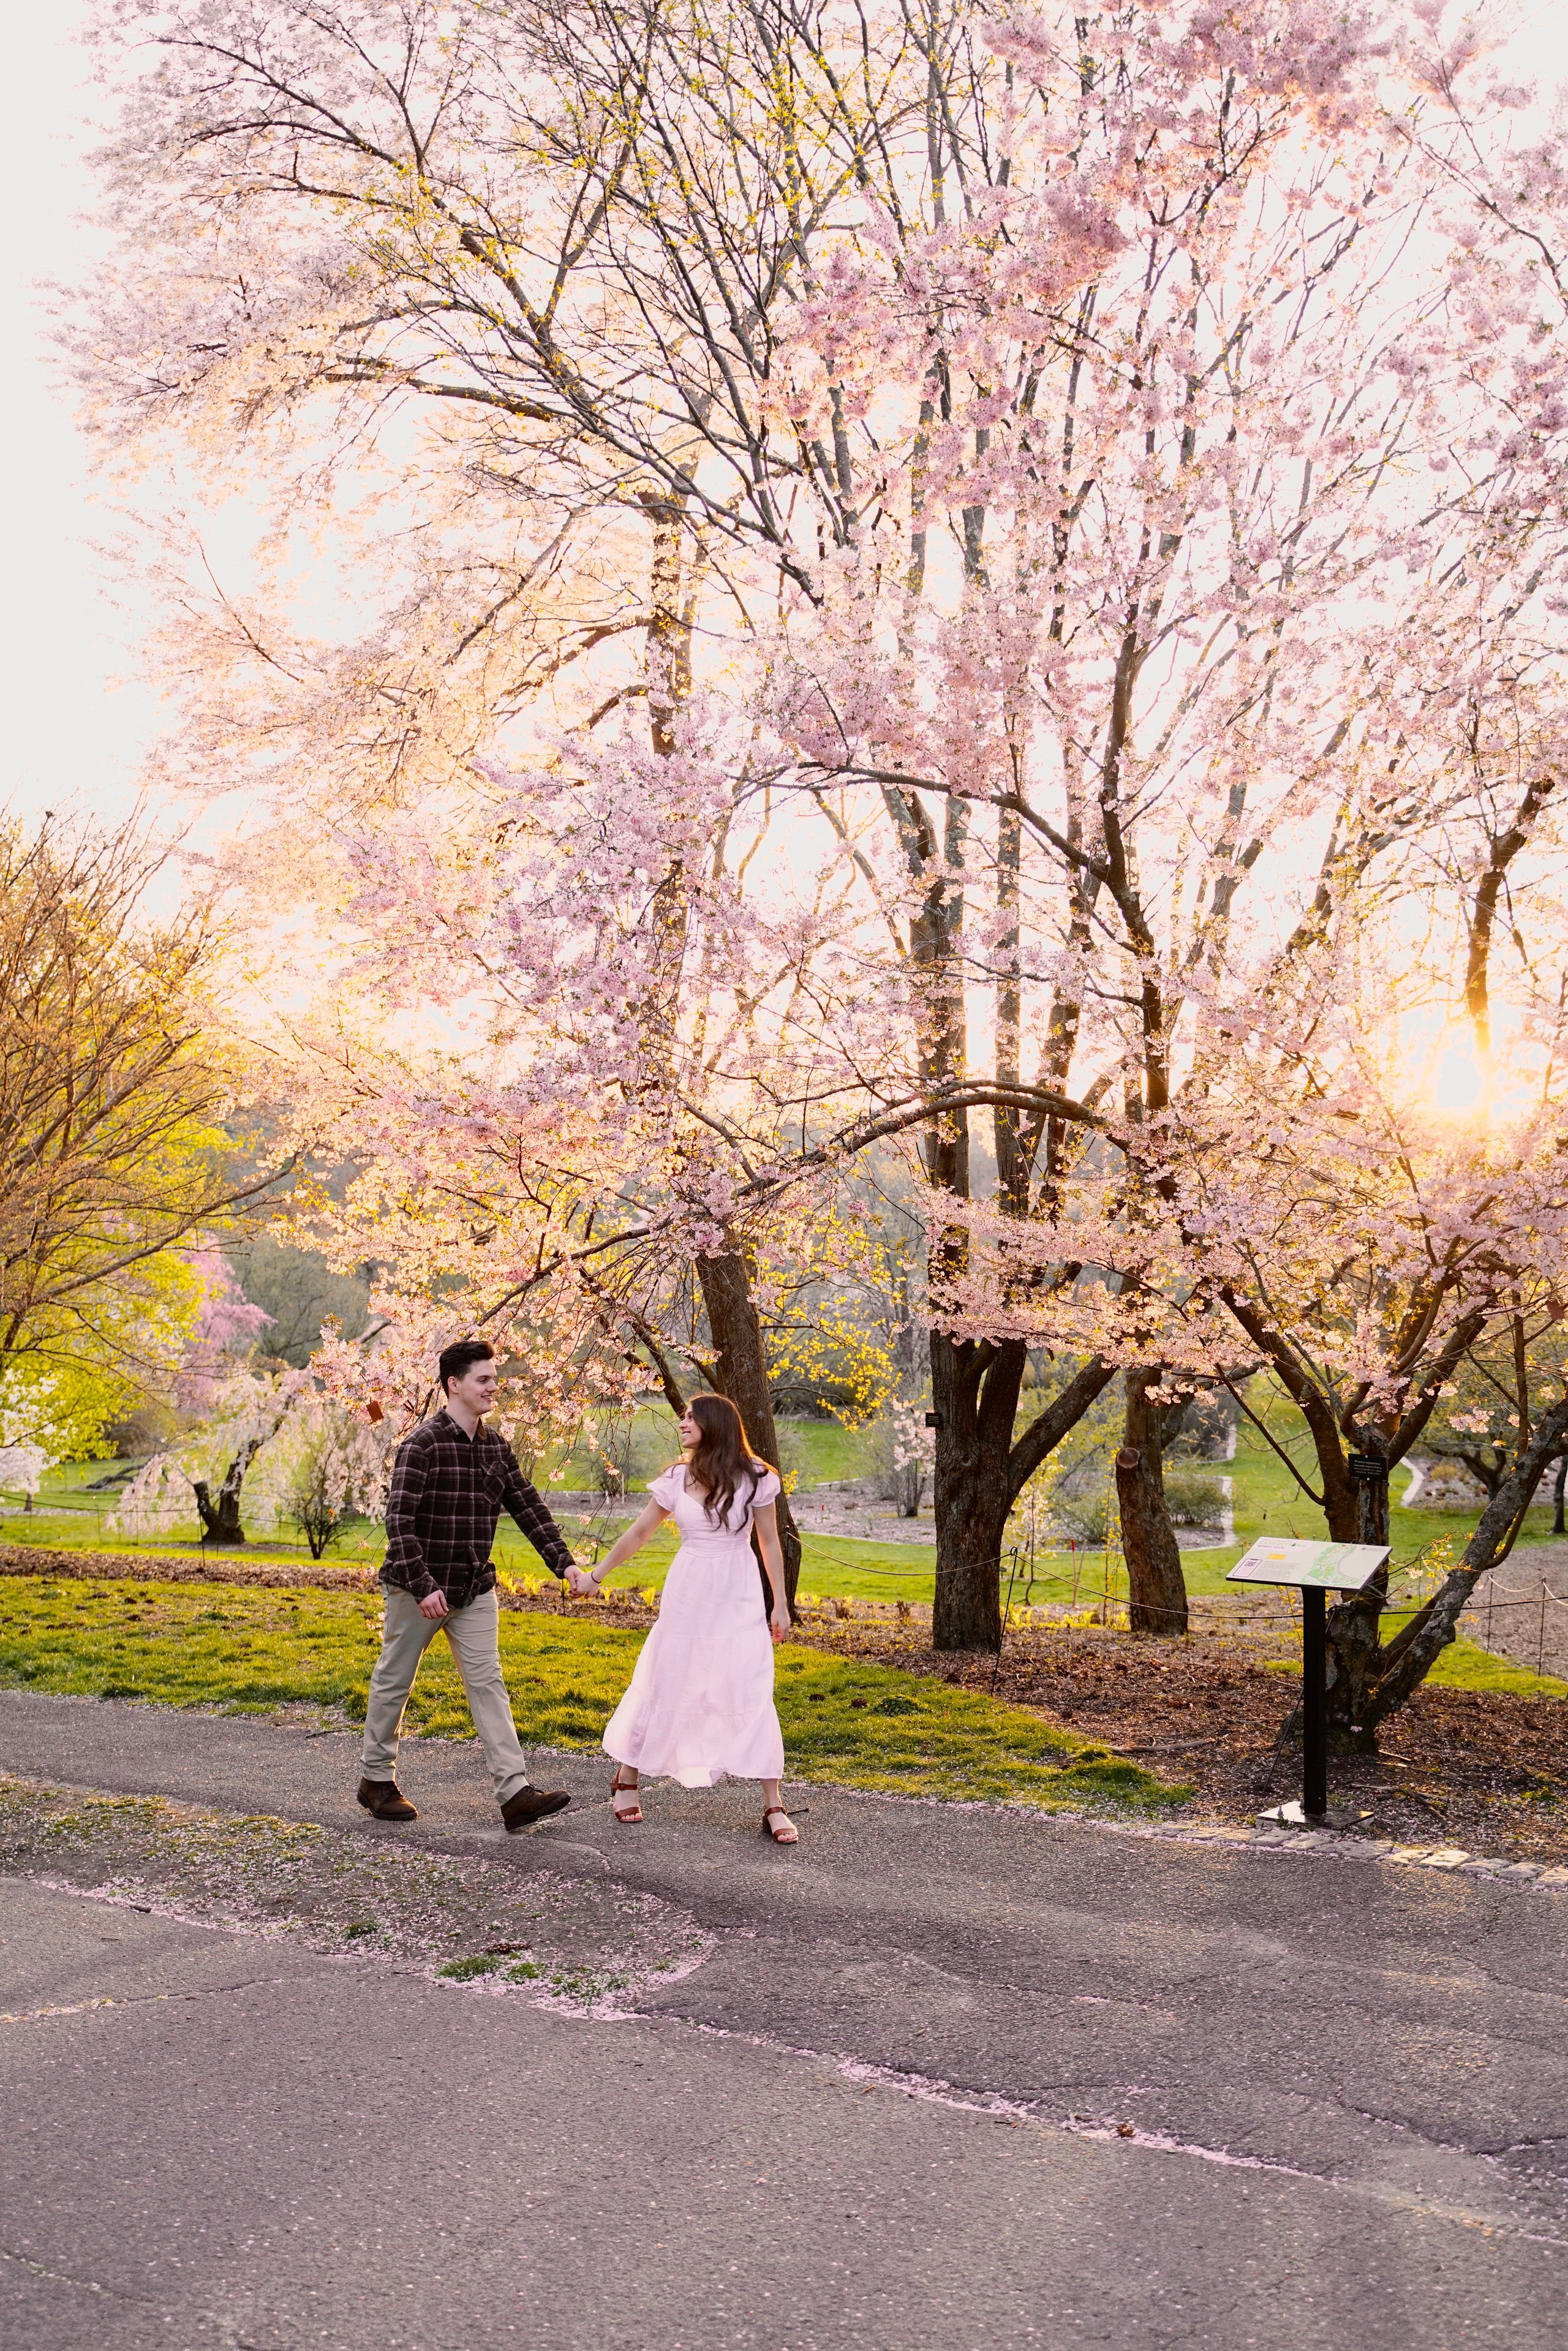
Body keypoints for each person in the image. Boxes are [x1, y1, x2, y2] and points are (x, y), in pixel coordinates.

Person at [358, 1337, 577, 1830]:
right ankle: (375, 1779)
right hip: (419, 1589)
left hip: (474, 1589)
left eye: (495, 1379)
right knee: (395, 1681)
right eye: (484, 1380)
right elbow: (400, 1523)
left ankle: (515, 1792)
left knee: (488, 1683)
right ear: (454, 1385)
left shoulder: (496, 1447)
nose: (493, 1388)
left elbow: (527, 1507)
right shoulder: (422, 1445)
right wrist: (423, 1584)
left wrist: (564, 1565)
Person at [568, 1393, 799, 1843]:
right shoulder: (677, 1477)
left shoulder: (757, 1478)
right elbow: (639, 1532)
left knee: (750, 1685)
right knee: (666, 1679)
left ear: (715, 1424)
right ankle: (628, 1777)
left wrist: (781, 1603)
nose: (683, 1422)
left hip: (739, 1591)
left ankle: (774, 1803)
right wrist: (596, 1575)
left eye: (691, 1417)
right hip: (689, 1590)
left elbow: (769, 1542)